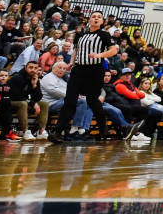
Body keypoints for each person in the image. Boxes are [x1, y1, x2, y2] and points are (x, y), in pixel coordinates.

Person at [48, 11, 118, 143]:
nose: (96, 19)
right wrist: (71, 63)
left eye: (99, 17)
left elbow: (114, 50)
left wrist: (99, 55)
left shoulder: (104, 34)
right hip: (78, 70)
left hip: (95, 71)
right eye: (94, 17)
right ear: (89, 20)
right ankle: (58, 131)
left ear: (102, 21)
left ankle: (102, 122)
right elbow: (75, 50)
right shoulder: (81, 35)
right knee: (70, 101)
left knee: (92, 101)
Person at [8, 62, 47, 140]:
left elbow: (38, 98)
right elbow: (15, 96)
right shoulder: (17, 78)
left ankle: (41, 132)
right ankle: (25, 132)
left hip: (23, 103)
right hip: (10, 103)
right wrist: (33, 103)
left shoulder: (34, 79)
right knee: (23, 104)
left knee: (44, 104)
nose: (33, 70)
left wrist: (34, 85)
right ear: (25, 67)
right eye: (31, 67)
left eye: (35, 68)